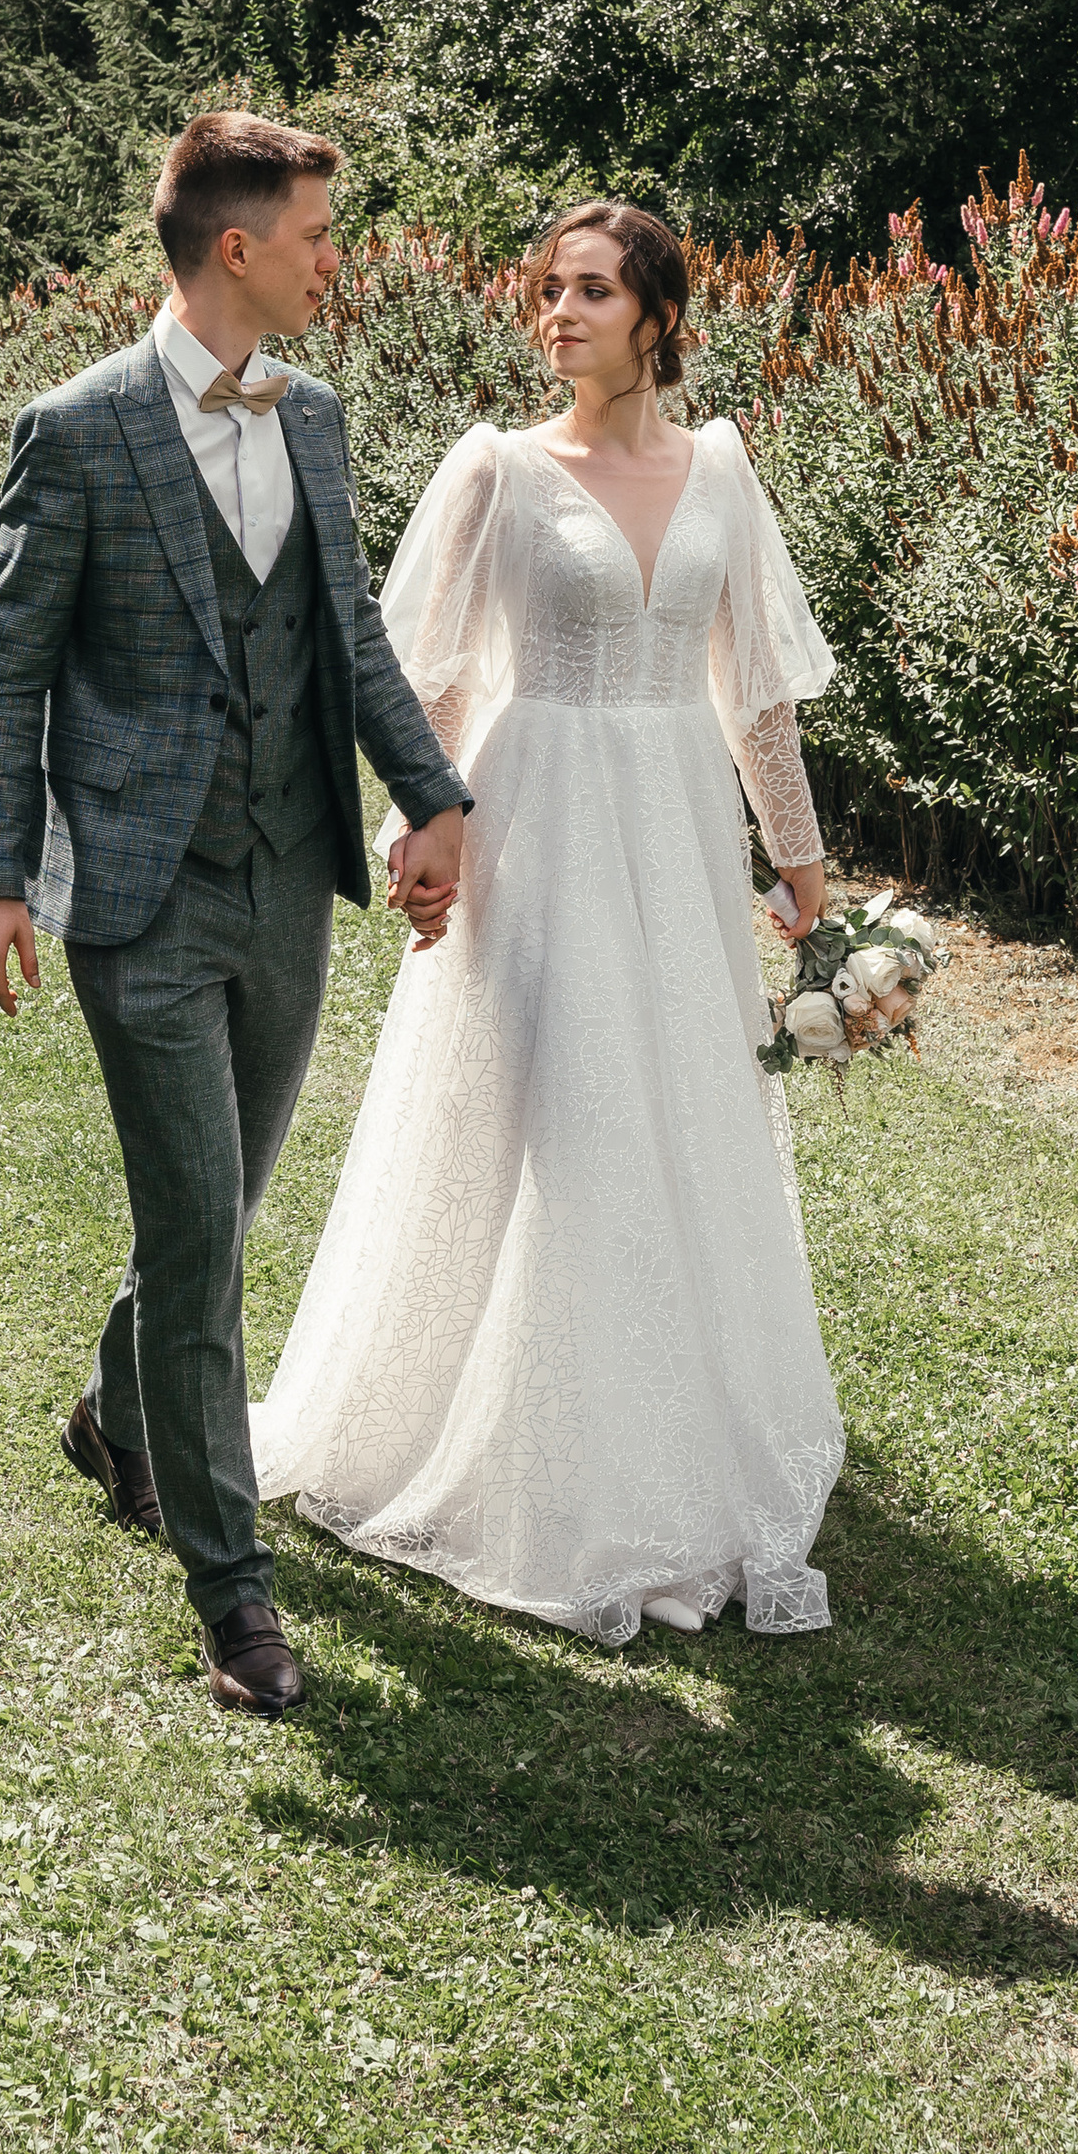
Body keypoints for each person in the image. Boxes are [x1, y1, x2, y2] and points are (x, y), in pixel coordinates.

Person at [249, 199, 848, 1644]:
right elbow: (433, 684)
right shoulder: (496, 469)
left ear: (657, 311)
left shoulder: (720, 466)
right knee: (547, 1112)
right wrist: (420, 837)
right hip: (535, 824)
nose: (557, 314)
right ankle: (515, 1438)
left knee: (672, 1113)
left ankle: (672, 1423)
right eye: (546, 292)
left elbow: (753, 685)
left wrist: (804, 866)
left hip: (677, 833)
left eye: (590, 290)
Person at [0, 113, 473, 1719]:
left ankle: (118, 1415)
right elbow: (9, 667)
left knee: (219, 1213)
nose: (338, 257)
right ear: (236, 248)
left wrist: (432, 793)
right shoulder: (80, 428)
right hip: (140, 889)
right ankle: (234, 1595)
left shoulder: (313, 416)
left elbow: (352, 634)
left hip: (288, 879)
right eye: (320, 232)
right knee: (199, 1232)